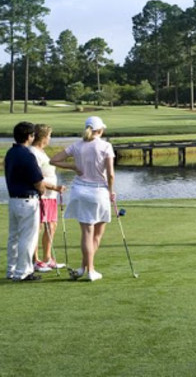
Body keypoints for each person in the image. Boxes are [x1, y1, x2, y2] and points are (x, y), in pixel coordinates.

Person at [51, 116, 115, 282]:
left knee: (88, 232)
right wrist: (112, 191)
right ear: (100, 130)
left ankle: (83, 268)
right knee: (96, 235)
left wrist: (72, 166)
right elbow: (111, 174)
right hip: (99, 192)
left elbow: (54, 160)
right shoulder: (106, 146)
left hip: (79, 191)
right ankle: (91, 271)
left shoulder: (76, 145)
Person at [5, 122, 49, 282]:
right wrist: (43, 191)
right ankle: (23, 271)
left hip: (14, 200)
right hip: (27, 200)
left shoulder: (11, 152)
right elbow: (38, 182)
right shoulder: (27, 155)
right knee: (27, 238)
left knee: (14, 237)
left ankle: (11, 270)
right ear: (30, 137)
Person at [31, 124, 73, 272]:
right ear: (43, 136)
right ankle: (35, 261)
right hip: (42, 195)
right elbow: (36, 177)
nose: (50, 139)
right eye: (49, 136)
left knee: (52, 225)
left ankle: (47, 258)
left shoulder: (41, 151)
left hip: (51, 196)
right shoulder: (33, 152)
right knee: (39, 227)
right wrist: (55, 187)